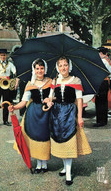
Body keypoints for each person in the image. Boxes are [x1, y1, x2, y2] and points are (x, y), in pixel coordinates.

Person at [46, 56, 92, 186]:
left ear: (69, 66)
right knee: (60, 140)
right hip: (56, 113)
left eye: (65, 65)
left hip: (70, 113)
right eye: (60, 65)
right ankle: (65, 167)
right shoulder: (54, 81)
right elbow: (51, 97)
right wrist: (49, 101)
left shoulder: (76, 80)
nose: (63, 68)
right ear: (57, 67)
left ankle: (68, 173)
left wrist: (80, 117)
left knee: (69, 140)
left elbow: (79, 99)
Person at [8, 58, 52, 173]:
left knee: (45, 136)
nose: (39, 71)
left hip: (47, 113)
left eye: (41, 68)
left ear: (45, 69)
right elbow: (23, 102)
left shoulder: (51, 82)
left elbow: (54, 97)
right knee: (35, 137)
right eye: (37, 68)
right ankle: (38, 163)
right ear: (34, 70)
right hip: (34, 113)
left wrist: (51, 100)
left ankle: (45, 162)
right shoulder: (30, 84)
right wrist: (14, 107)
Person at [0, 48, 19, 129]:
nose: (3, 56)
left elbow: (16, 72)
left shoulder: (10, 64)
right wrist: (2, 77)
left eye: (4, 55)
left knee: (6, 103)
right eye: (2, 55)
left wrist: (16, 79)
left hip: (7, 84)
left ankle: (5, 120)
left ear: (6, 55)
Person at [93, 47, 111, 127]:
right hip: (105, 82)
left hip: (101, 82)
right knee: (103, 102)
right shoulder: (107, 60)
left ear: (100, 53)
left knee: (100, 102)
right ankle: (103, 120)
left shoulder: (102, 61)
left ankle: (100, 121)